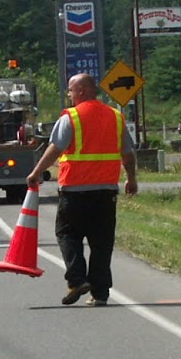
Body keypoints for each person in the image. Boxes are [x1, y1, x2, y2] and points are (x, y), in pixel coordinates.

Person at [25, 73, 138, 306]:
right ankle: (100, 293)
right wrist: (132, 179)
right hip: (105, 192)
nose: (69, 94)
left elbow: (55, 149)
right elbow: (128, 153)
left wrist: (36, 173)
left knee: (67, 235)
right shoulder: (115, 117)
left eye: (70, 90)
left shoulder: (72, 118)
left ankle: (77, 280)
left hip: (74, 190)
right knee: (101, 242)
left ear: (82, 91)